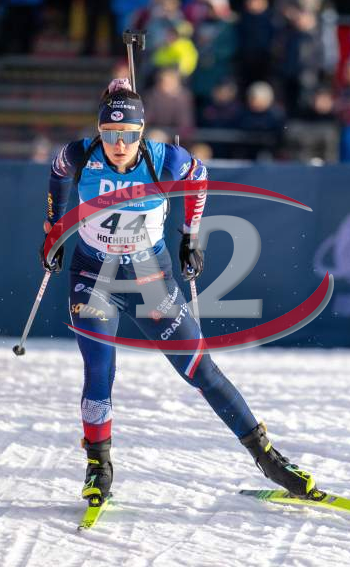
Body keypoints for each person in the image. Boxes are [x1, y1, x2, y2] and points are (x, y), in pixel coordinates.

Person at [42, 78, 317, 508]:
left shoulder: (164, 159)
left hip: (150, 279)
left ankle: (268, 458)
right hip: (94, 277)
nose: (119, 145)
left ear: (141, 131)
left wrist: (191, 236)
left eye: (128, 135)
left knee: (199, 369)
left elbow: (199, 176)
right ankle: (98, 465)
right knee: (99, 370)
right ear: (100, 132)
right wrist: (54, 225)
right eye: (110, 134)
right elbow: (57, 172)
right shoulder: (81, 154)